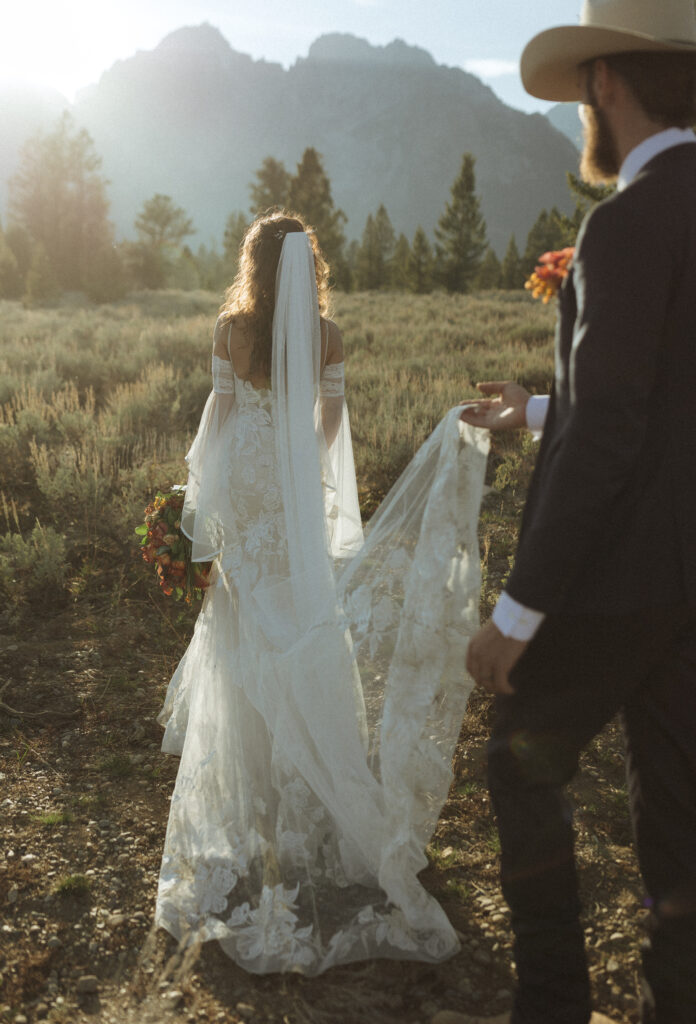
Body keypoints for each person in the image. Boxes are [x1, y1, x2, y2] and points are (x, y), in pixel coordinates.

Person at [459, 2, 696, 1022]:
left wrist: (519, 611)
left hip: (614, 581)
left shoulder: (624, 221)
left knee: (517, 764)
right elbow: (672, 393)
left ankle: (554, 1003)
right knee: (674, 801)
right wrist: (534, 411)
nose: (582, 111)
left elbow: (616, 429)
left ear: (607, 85)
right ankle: (682, 1002)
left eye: (582, 94)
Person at [154, 211, 492, 974]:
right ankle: (321, 788)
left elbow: (219, 416)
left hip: (240, 488)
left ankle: (256, 805)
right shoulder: (329, 337)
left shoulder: (230, 330)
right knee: (303, 622)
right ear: (311, 269)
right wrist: (310, 495)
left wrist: (198, 505)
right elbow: (329, 428)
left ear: (256, 263)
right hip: (290, 490)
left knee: (241, 626)